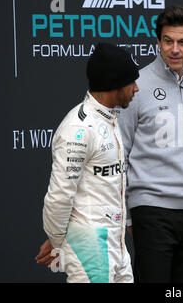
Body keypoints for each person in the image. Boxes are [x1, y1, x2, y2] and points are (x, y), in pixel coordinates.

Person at [118, 5, 183, 282]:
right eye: (168, 41)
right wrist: (128, 215)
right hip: (151, 210)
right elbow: (120, 151)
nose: (175, 49)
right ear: (159, 41)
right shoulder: (136, 84)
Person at [36, 42, 139, 283]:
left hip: (117, 245)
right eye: (131, 81)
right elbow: (59, 196)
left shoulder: (110, 120)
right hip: (90, 247)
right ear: (114, 82)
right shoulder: (78, 128)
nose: (136, 88)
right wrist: (61, 243)